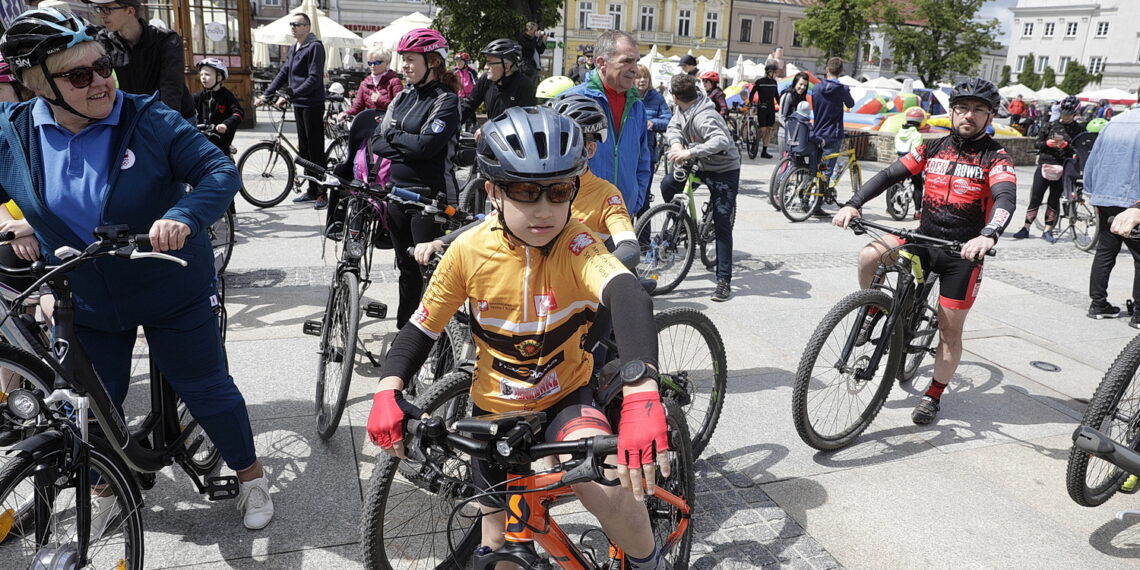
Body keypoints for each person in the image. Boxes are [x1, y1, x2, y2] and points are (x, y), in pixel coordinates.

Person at [0, 7, 273, 529]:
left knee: (206, 387)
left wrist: (183, 214)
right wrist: (21, 225)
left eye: (104, 65)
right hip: (90, 296)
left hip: (169, 280)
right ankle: (106, 488)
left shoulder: (148, 117)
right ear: (38, 85)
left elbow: (218, 171)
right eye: (81, 75)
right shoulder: (13, 134)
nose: (102, 82)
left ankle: (251, 478)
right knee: (93, 405)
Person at [368, 106, 670, 569]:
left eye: (558, 192)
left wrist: (642, 391)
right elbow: (421, 327)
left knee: (606, 486)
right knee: (502, 549)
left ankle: (651, 564)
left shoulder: (578, 243)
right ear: (492, 191)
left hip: (566, 396)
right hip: (495, 410)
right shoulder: (468, 251)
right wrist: (389, 387)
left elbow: (627, 293)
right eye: (527, 192)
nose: (544, 209)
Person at [832, 78, 1017, 425]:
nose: (969, 115)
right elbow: (889, 174)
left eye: (979, 110)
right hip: (923, 235)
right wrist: (853, 203)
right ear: (952, 111)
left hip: (961, 253)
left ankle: (933, 395)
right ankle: (874, 306)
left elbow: (1005, 198)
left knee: (949, 331)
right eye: (963, 108)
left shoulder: (997, 158)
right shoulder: (932, 147)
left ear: (989, 116)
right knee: (869, 257)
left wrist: (989, 235)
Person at [369, 27, 460, 330]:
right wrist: (404, 141)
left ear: (432, 61)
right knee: (406, 269)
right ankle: (404, 332)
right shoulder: (404, 95)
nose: (404, 66)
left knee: (428, 273)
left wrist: (395, 136)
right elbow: (375, 141)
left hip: (429, 196)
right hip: (396, 192)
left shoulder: (446, 100)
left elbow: (427, 147)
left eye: (411, 59)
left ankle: (432, 337)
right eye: (403, 59)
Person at [661, 73, 741, 302]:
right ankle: (682, 222)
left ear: (675, 97)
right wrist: (676, 144)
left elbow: (721, 141)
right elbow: (674, 126)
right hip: (698, 164)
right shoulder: (682, 108)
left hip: (724, 168)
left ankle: (724, 281)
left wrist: (689, 151)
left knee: (722, 220)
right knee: (668, 184)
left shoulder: (705, 116)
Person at [561, 30, 652, 216]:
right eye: (627, 61)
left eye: (636, 61)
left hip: (622, 214)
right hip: (578, 216)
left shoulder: (637, 106)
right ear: (601, 63)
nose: (635, 68)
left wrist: (636, 199)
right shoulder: (573, 100)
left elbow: (643, 160)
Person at [255, 13, 327, 208]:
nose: (293, 27)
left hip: (312, 104)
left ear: (307, 27)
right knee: (304, 150)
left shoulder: (315, 47)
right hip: (299, 104)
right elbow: (283, 73)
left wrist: (290, 93)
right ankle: (311, 190)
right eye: (291, 24)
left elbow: (313, 79)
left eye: (297, 24)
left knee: (315, 149)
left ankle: (322, 192)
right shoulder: (294, 48)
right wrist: (266, 95)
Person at [83, 0, 194, 120]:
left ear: (130, 11)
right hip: (133, 118)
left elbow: (171, 87)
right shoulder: (104, 42)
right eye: (99, 9)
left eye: (107, 9)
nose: (101, 15)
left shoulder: (166, 40)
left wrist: (166, 124)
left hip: (175, 117)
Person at [1086, 109, 1140, 324]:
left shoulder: (1114, 122)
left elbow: (1094, 159)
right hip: (1134, 201)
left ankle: (1098, 304)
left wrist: (1091, 190)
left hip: (1106, 195)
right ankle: (1138, 314)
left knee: (1105, 251)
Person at [1011, 95, 1083, 243]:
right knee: (1036, 196)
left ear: (1075, 114)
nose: (1065, 117)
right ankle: (1026, 227)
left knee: (1054, 199)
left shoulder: (1078, 129)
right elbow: (1037, 143)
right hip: (1045, 163)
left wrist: (1067, 146)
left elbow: (1080, 148)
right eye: (1063, 114)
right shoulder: (1049, 125)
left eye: (1069, 115)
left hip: (1063, 166)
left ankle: (1047, 230)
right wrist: (1047, 144)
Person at [459, 39, 535, 129]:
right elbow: (469, 105)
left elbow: (527, 123)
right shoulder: (486, 79)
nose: (485, 67)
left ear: (506, 67)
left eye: (489, 63)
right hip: (491, 135)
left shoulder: (524, 86)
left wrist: (488, 127)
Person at [811, 57, 854, 187]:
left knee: (813, 167)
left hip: (817, 131)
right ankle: (818, 201)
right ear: (841, 71)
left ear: (827, 69)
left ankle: (806, 198)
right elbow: (850, 103)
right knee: (827, 170)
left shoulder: (816, 88)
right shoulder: (842, 89)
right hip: (833, 134)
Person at [193, 58, 243, 157]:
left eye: (207, 75)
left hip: (220, 143)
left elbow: (238, 113)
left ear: (219, 77)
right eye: (201, 74)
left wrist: (226, 125)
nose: (203, 77)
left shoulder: (226, 96)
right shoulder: (199, 96)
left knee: (225, 169)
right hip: (201, 141)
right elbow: (185, 108)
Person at [338, 47, 402, 121]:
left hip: (388, 125)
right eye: (370, 63)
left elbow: (400, 107)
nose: (373, 66)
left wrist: (380, 99)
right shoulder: (365, 83)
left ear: (387, 62)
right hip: (370, 125)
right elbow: (357, 107)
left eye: (377, 62)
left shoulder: (394, 81)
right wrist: (346, 113)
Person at [636, 64, 671, 182]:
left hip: (648, 153)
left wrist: (653, 123)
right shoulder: (625, 96)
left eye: (645, 77)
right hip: (627, 154)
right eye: (638, 77)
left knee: (644, 192)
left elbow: (669, 120)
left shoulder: (657, 98)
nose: (642, 80)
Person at [893, 107, 926, 216]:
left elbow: (896, 149)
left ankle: (890, 207)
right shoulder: (917, 135)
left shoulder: (899, 132)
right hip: (911, 162)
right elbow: (917, 152)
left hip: (900, 160)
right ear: (920, 123)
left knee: (895, 181)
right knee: (918, 185)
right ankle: (917, 211)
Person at [749, 63, 779, 158]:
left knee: (769, 129)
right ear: (769, 72)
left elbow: (776, 95)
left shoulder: (774, 83)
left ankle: (764, 151)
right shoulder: (760, 82)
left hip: (771, 108)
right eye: (775, 72)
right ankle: (755, 142)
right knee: (763, 130)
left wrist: (781, 104)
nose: (776, 74)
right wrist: (750, 102)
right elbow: (752, 93)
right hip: (762, 107)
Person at [777, 71, 810, 151]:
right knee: (784, 161)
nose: (802, 87)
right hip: (784, 134)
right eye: (800, 84)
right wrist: (790, 129)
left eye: (805, 85)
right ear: (795, 83)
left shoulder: (801, 98)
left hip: (796, 136)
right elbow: (781, 117)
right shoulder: (787, 96)